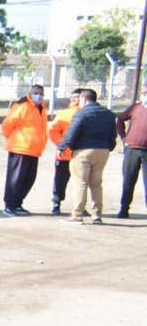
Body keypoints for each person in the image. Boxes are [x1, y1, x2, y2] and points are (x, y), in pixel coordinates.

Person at [59, 87, 118, 225]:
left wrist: (63, 146)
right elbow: (113, 134)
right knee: (96, 184)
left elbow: (72, 132)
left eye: (79, 99)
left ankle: (77, 215)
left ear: (84, 99)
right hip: (103, 152)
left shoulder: (82, 113)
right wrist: (109, 147)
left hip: (83, 152)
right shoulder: (108, 114)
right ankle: (97, 215)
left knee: (80, 183)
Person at [0, 84, 48, 216]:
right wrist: (15, 139)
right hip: (20, 148)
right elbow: (7, 126)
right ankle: (9, 205)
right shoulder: (22, 106)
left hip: (35, 150)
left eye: (41, 93)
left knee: (28, 179)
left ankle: (18, 204)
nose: (38, 95)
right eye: (36, 92)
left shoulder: (42, 108)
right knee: (15, 179)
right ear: (30, 93)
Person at [48, 89, 83, 215]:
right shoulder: (64, 114)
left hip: (81, 155)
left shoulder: (88, 113)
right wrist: (61, 145)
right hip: (64, 155)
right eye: (72, 97)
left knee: (81, 182)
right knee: (60, 180)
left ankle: (80, 206)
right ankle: (56, 203)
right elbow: (53, 131)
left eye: (77, 97)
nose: (74, 99)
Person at [117, 89, 147, 218]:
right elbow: (119, 119)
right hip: (132, 149)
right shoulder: (135, 108)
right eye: (144, 93)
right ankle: (124, 209)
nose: (145, 96)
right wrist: (124, 138)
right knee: (128, 180)